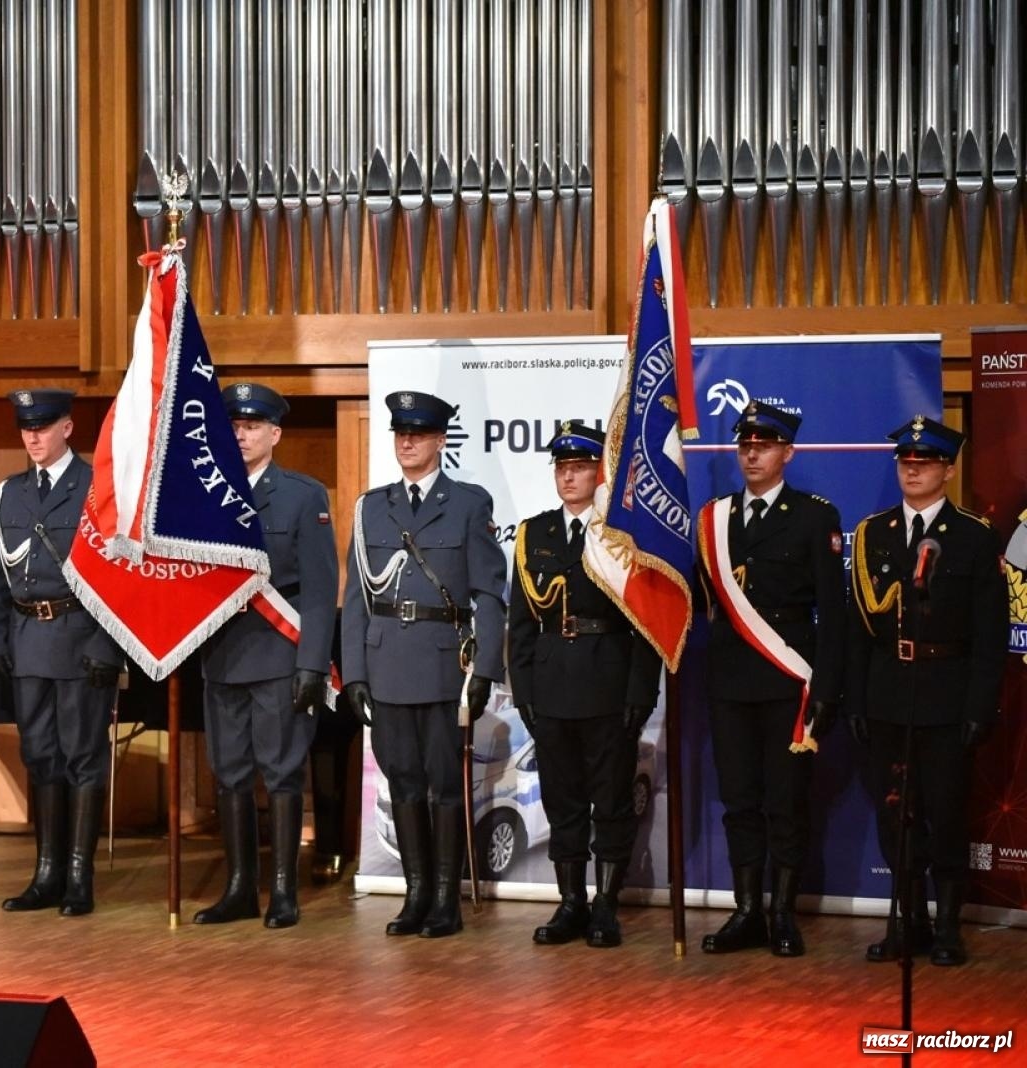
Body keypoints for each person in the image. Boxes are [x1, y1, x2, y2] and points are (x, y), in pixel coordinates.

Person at [340, 390, 506, 939]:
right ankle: (414, 895)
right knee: (402, 783)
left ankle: (444, 899)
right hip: (386, 664)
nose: (406, 441)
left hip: (441, 666)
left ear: (439, 441)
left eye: (418, 434)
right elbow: (357, 600)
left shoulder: (467, 503)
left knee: (441, 785)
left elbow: (488, 593)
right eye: (400, 433)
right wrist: (356, 673)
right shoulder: (371, 506)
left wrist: (483, 669)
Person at [846, 414, 1007, 967]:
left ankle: (947, 928)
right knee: (895, 818)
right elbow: (856, 631)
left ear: (948, 469)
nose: (912, 471)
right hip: (888, 693)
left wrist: (979, 707)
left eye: (925, 463)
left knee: (945, 813)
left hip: (947, 694)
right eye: (905, 462)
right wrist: (856, 699)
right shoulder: (874, 533)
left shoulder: (973, 537)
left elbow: (990, 636)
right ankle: (906, 923)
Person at [696, 401, 844, 958]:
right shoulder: (714, 518)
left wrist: (826, 689)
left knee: (786, 802)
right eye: (745, 445)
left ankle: (782, 911)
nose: (752, 453)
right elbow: (703, 599)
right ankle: (747, 909)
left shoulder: (813, 517)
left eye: (764, 445)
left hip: (789, 682)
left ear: (788, 453)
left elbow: (832, 613)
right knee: (739, 801)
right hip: (730, 682)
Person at [508, 423, 661, 948]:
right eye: (561, 466)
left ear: (601, 473)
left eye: (579, 466)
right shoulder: (535, 533)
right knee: (562, 802)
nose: (568, 474)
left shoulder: (621, 536)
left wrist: (642, 693)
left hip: (609, 681)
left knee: (611, 802)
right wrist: (524, 690)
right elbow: (522, 623)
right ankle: (570, 902)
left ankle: (605, 906)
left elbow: (645, 623)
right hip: (551, 684)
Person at [193, 383, 338, 929]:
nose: (241, 434)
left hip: (281, 652)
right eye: (233, 426)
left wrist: (312, 663)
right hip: (223, 653)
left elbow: (322, 590)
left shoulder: (302, 495)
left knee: (280, 774)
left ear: (274, 434)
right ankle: (237, 888)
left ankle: (282, 890)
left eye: (252, 426)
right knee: (229, 774)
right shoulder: (205, 494)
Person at [0, 389, 123, 917]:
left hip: (82, 635)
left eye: (42, 427)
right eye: (25, 429)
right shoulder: (9, 494)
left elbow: (116, 575)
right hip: (28, 640)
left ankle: (80, 877)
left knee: (84, 755)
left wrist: (108, 646)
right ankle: (47, 873)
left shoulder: (96, 487)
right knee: (40, 755)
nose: (33, 437)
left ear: (67, 428)